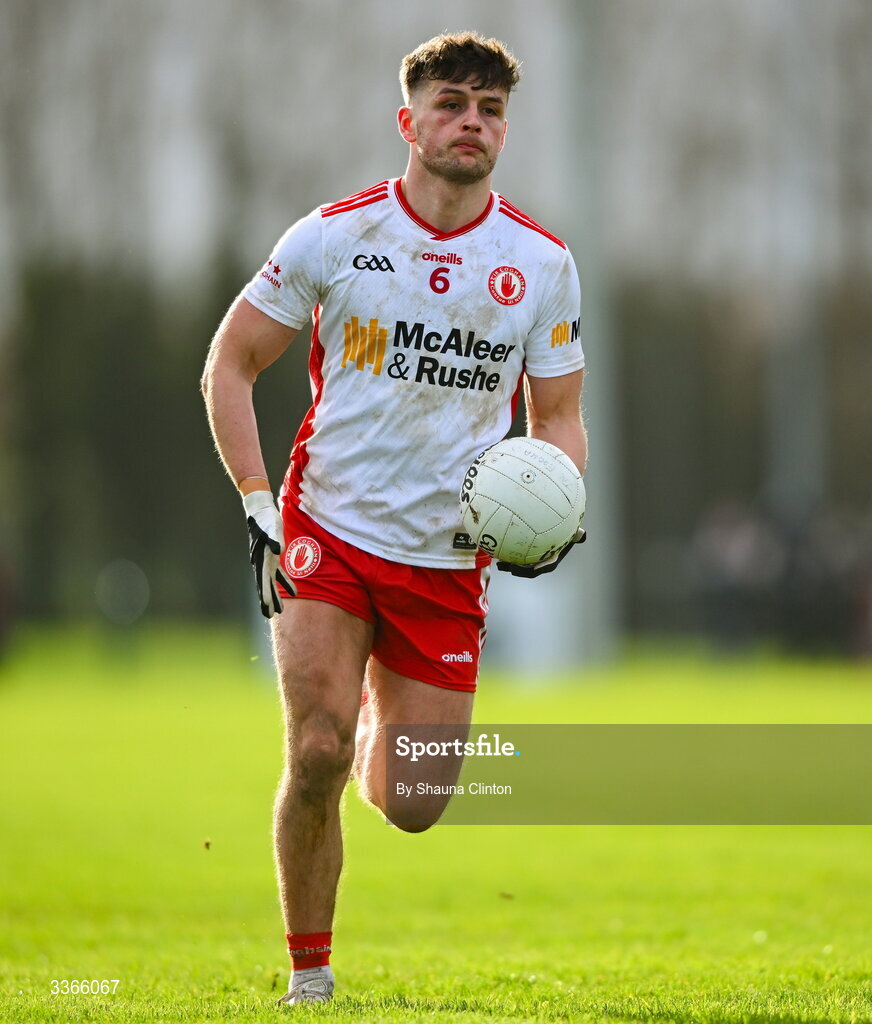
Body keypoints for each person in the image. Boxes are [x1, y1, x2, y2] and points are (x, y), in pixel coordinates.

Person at [200, 31, 587, 1007]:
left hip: (446, 558)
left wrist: (552, 509)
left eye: (489, 109)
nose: (470, 121)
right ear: (406, 120)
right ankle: (309, 975)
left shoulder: (538, 264)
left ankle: (379, 699)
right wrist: (256, 502)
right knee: (316, 746)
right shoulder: (334, 236)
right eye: (451, 103)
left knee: (411, 804)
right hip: (324, 527)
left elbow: (559, 420)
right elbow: (230, 364)